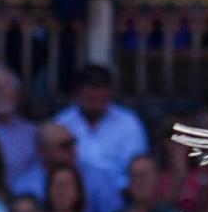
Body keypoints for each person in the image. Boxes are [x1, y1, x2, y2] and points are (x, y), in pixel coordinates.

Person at [55, 65, 149, 193]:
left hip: (120, 195)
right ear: (77, 91)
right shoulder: (61, 123)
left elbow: (137, 167)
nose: (95, 94)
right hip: (72, 195)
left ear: (110, 92)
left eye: (100, 88)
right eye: (90, 88)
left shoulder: (128, 122)